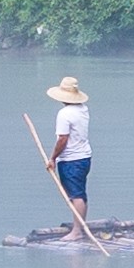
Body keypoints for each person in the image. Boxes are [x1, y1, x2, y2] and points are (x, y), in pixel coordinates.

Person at [48, 76, 92, 212]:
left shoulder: (64, 114)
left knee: (76, 195)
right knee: (79, 192)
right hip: (84, 157)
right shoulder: (83, 109)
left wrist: (53, 158)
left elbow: (62, 139)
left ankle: (78, 230)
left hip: (71, 160)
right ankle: (79, 225)